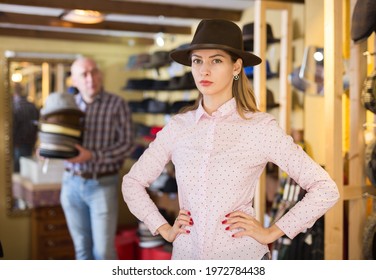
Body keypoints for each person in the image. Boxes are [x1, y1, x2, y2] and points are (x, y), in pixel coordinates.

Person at [122, 19, 340, 260]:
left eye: (216, 60)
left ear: (236, 67)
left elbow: (325, 188)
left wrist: (273, 232)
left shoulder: (259, 128)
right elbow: (132, 183)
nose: (204, 70)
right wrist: (163, 228)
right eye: (197, 61)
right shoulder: (178, 127)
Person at [60, 57, 134, 260]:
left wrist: (91, 156)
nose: (90, 78)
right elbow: (59, 140)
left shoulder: (117, 104)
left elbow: (127, 145)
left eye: (94, 72)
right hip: (71, 184)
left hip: (102, 184)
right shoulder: (68, 108)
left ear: (100, 75)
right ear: (74, 81)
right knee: (82, 251)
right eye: (83, 74)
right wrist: (49, 149)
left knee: (103, 252)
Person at [12, 82, 39, 172]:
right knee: (27, 168)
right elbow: (37, 125)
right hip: (30, 142)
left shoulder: (16, 107)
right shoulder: (32, 106)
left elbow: (14, 127)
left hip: (18, 144)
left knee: (18, 170)